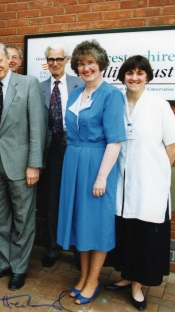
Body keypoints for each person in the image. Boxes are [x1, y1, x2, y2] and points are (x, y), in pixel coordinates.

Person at [57, 40, 126, 305]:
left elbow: (115, 140)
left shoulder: (111, 95)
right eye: (81, 64)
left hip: (98, 164)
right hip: (73, 161)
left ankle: (94, 280)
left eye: (91, 63)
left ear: (101, 65)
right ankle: (84, 276)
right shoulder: (75, 94)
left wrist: (101, 176)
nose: (86, 68)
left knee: (95, 223)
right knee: (79, 222)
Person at [0, 42, 46, 291]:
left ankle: (19, 268)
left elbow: (37, 127)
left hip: (21, 166)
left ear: (8, 60)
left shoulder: (28, 84)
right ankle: (4, 263)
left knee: (23, 219)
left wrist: (34, 164)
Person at [105, 55, 175, 311]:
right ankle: (126, 276)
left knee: (145, 234)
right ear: (122, 76)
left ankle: (138, 286)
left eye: (140, 73)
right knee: (127, 230)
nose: (134, 77)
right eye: (130, 73)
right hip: (122, 183)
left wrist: (157, 174)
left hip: (150, 184)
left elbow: (172, 145)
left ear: (147, 76)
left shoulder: (159, 105)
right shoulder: (116, 102)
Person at [40, 43, 84, 268]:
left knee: (77, 198)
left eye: (59, 59)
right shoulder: (39, 88)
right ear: (46, 62)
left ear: (67, 60)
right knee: (53, 200)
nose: (55, 63)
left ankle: (79, 250)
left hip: (75, 147)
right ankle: (52, 247)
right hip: (52, 150)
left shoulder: (80, 84)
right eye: (51, 59)